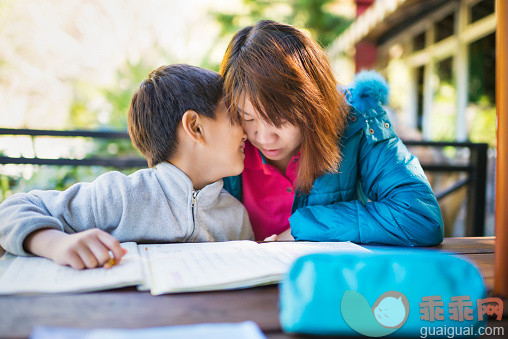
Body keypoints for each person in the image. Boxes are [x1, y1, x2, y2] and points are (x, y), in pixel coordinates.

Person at [0, 64, 253, 269]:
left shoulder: (235, 216)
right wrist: (57, 245)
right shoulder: (119, 196)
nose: (245, 132)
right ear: (195, 127)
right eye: (234, 118)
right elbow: (11, 209)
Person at [220, 20, 444, 246]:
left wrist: (305, 228)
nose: (264, 138)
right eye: (247, 118)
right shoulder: (220, 130)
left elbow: (420, 217)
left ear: (312, 102)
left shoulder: (357, 120)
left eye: (280, 119)